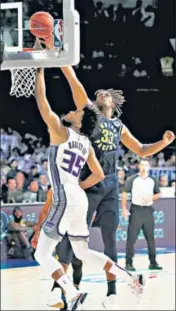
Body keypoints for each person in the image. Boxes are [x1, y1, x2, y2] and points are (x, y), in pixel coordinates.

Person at [47, 64, 175, 310]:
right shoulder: (90, 115)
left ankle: (112, 294)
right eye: (99, 93)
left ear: (114, 103)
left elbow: (141, 150)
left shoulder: (119, 126)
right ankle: (60, 290)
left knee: (109, 240)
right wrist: (62, 58)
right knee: (71, 241)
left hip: (110, 187)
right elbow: (75, 84)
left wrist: (164, 142)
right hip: (87, 184)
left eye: (106, 93)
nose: (101, 93)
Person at [32, 66, 145, 311]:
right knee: (82, 251)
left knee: (41, 255)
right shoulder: (86, 143)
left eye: (75, 111)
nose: (72, 110)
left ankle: (71, 294)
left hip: (66, 198)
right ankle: (130, 278)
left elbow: (42, 103)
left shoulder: (60, 132)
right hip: (79, 198)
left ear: (80, 120)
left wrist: (39, 72)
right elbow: (100, 173)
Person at [121, 158, 162, 271]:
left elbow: (158, 193)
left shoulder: (153, 179)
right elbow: (124, 193)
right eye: (142, 164)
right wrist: (124, 208)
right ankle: (129, 263)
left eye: (146, 165)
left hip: (148, 210)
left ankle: (153, 262)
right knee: (131, 238)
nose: (144, 166)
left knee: (150, 238)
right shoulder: (132, 179)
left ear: (149, 167)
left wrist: (152, 197)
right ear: (139, 166)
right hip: (136, 210)